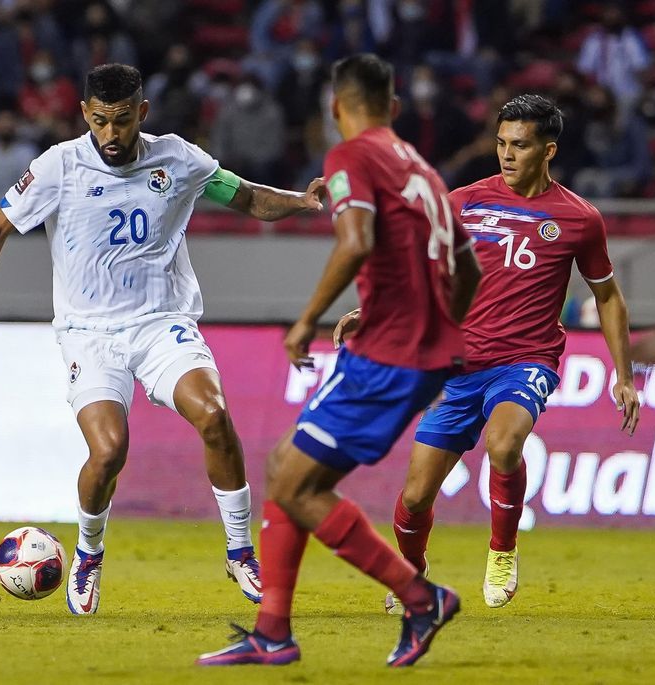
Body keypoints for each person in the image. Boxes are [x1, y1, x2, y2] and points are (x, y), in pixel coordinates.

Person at [0, 63, 325, 616]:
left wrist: (301, 203)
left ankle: (240, 551)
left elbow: (245, 197)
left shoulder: (178, 158)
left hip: (162, 323)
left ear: (141, 113)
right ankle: (89, 553)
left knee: (213, 415)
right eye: (99, 122)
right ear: (85, 115)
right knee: (109, 449)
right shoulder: (58, 167)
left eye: (121, 122)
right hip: (89, 334)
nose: (110, 135)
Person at [197, 53, 481, 669]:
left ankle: (420, 596)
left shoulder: (351, 156)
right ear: (396, 107)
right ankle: (272, 631)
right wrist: (442, 332)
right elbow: (470, 266)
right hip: (417, 350)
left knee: (293, 482)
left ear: (334, 108)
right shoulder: (423, 169)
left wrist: (307, 319)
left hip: (389, 357)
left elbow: (355, 241)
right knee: (288, 472)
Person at [384, 94, 640, 614]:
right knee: (413, 498)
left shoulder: (578, 219)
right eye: (501, 143)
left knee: (504, 444)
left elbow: (608, 296)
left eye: (519, 145)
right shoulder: (464, 202)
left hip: (525, 360)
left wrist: (624, 375)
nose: (506, 154)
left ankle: (502, 550)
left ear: (548, 150)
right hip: (458, 368)